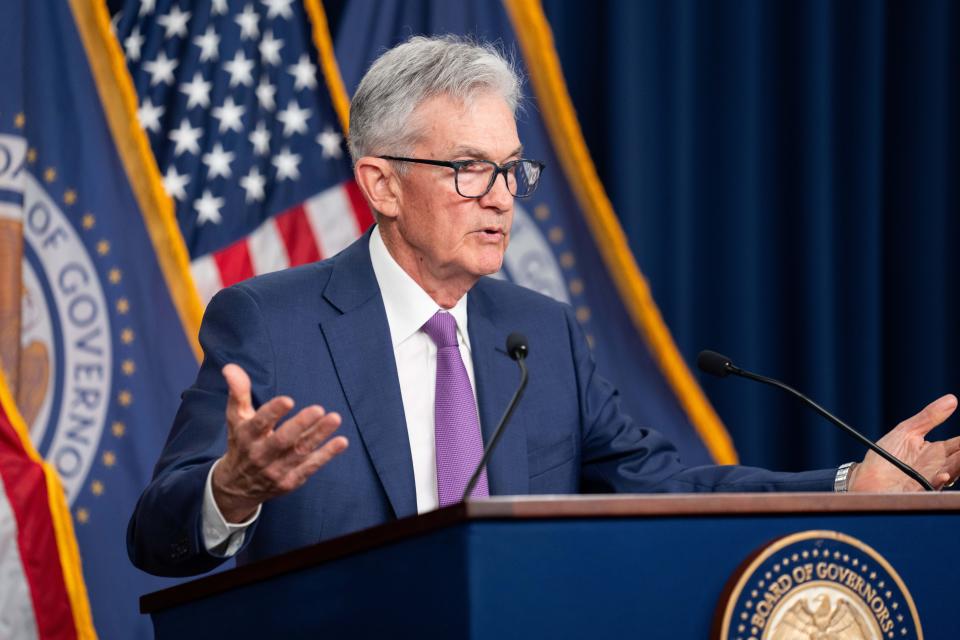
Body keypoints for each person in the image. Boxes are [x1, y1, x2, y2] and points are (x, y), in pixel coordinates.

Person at [127, 35, 960, 578]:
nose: (501, 200)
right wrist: (231, 490)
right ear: (381, 183)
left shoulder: (538, 331)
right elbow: (153, 533)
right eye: (468, 168)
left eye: (512, 170)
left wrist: (852, 482)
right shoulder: (270, 322)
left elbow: (662, 490)